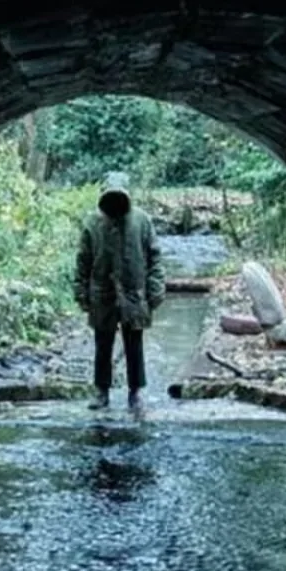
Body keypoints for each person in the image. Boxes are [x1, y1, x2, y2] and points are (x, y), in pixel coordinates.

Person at [73, 171, 164, 414]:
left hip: (134, 292)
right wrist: (81, 292)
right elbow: (83, 260)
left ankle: (136, 392)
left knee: (134, 343)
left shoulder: (142, 221)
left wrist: (155, 289)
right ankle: (101, 391)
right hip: (102, 292)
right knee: (103, 344)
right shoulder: (93, 223)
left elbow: (154, 256)